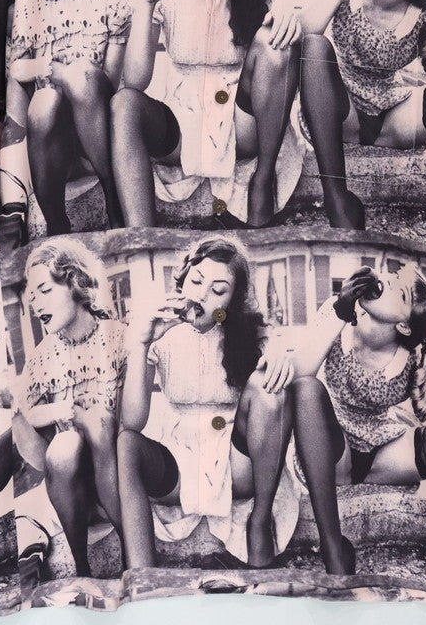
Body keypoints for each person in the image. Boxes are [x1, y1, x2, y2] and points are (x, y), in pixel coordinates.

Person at [285, 263, 426, 578]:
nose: (386, 279)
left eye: (400, 291)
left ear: (403, 326)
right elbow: (295, 375)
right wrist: (338, 312)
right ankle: (333, 546)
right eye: (392, 276)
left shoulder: (411, 361)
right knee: (306, 389)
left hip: (382, 452)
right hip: (331, 448)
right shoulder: (339, 313)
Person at [116, 237, 300, 568]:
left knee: (267, 387)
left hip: (237, 464)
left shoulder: (251, 334)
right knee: (127, 443)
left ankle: (259, 524)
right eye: (197, 280)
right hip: (181, 463)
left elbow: (279, 376)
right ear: (183, 278)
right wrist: (141, 344)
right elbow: (132, 422)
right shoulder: (160, 334)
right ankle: (141, 571)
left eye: (218, 290)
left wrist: (276, 351)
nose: (202, 295)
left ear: (232, 301)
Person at [112, 0, 303, 228]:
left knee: (274, 43)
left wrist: (285, 12)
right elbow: (135, 82)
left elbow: (287, 49)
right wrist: (147, 2)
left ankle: (262, 182)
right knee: (124, 104)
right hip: (183, 122)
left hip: (241, 123)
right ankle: (141, 235)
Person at [298, 0, 426, 228]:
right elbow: (303, 34)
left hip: (392, 115)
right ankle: (337, 199)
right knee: (314, 47)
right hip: (336, 108)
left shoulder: (425, 16)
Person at [6, 0, 131, 231]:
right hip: (53, 142)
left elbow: (112, 79)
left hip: (101, 126)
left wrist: (66, 73)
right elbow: (16, 68)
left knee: (80, 76)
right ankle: (57, 224)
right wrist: (48, 68)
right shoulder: (27, 9)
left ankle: (114, 195)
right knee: (43, 100)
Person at [11, 238, 127, 578]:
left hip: (116, 464)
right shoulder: (42, 356)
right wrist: (63, 410)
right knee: (64, 445)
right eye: (32, 296)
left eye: (45, 290)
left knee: (98, 424)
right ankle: (82, 566)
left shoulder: (116, 336)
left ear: (75, 282)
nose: (36, 304)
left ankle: (131, 547)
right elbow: (28, 412)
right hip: (70, 481)